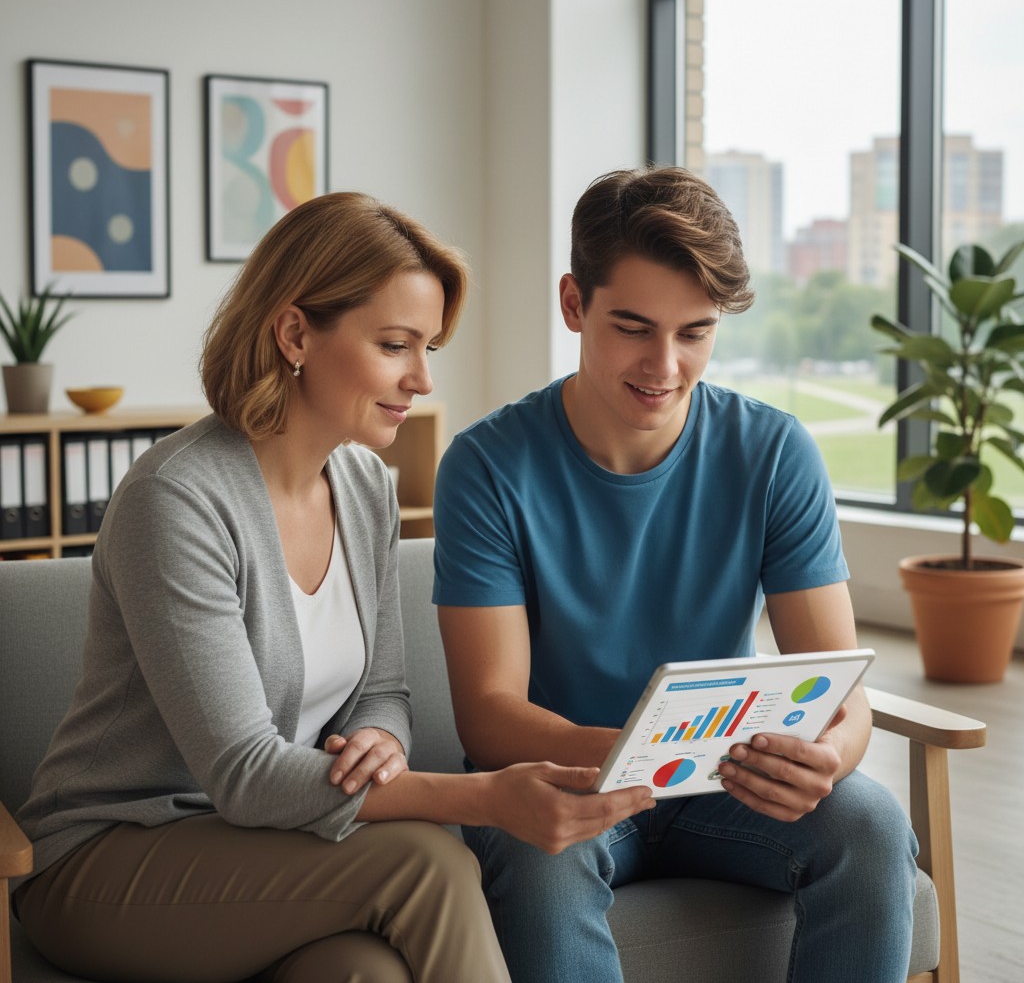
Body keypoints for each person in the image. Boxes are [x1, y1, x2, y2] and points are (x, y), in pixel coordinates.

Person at [13, 192, 654, 983]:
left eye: (428, 348)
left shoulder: (364, 485)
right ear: (294, 334)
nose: (420, 377)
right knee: (428, 863)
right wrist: (484, 797)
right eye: (395, 345)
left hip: (272, 848)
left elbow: (383, 689)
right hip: (109, 861)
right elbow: (245, 774)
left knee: (363, 972)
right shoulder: (175, 502)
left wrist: (381, 739)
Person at [432, 166, 920, 983]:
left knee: (866, 821)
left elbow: (840, 691)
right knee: (540, 855)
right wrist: (660, 752)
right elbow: (489, 718)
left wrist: (830, 757)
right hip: (571, 780)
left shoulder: (772, 452)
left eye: (695, 332)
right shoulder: (486, 465)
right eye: (633, 326)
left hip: (722, 782)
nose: (665, 364)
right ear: (574, 305)